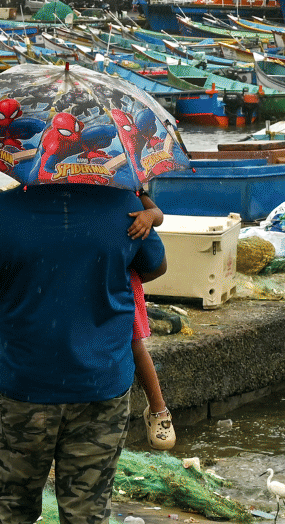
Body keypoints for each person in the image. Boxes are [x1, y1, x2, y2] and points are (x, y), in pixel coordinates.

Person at [0, 183, 166, 524]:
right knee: (87, 512)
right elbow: (155, 266)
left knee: (11, 510)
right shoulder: (122, 206)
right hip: (101, 386)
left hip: (24, 388)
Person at [127, 193, 175, 451]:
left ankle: (157, 407)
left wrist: (148, 216)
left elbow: (158, 213)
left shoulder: (131, 188)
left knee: (136, 345)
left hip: (125, 279)